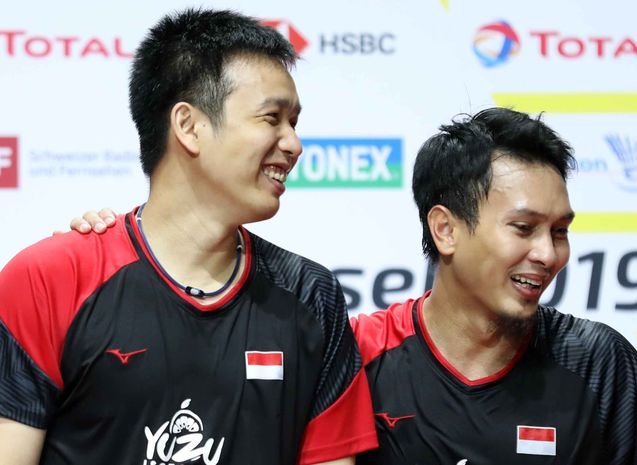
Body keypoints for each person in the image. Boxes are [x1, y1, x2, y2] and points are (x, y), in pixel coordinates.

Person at [69, 109, 637, 463]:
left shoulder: (598, 364)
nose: (548, 253)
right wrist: (118, 239)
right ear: (446, 230)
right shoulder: (357, 357)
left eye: (560, 231)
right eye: (524, 228)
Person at [0, 8, 376, 465]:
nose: (293, 143)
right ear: (189, 126)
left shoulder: (311, 297)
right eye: (272, 118)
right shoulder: (49, 277)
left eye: (293, 122)